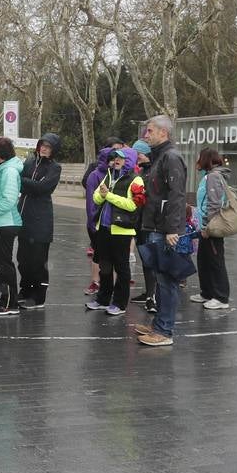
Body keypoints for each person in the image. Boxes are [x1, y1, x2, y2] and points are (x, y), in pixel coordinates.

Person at [131, 117, 188, 345]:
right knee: (161, 278)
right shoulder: (159, 157)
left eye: (150, 131)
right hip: (155, 226)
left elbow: (176, 195)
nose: (146, 135)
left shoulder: (171, 157)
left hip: (164, 229)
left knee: (167, 281)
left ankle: (164, 331)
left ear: (163, 132)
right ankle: (159, 325)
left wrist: (172, 229)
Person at [87, 148, 143, 316]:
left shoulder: (136, 180)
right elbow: (96, 198)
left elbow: (133, 205)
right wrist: (103, 195)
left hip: (122, 231)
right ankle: (103, 299)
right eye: (116, 157)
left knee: (121, 268)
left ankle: (120, 303)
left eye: (122, 158)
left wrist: (108, 195)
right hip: (104, 228)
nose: (117, 160)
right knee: (104, 265)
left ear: (130, 161)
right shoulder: (110, 175)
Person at [16, 133, 62, 310]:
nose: (44, 148)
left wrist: (23, 182)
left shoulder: (55, 168)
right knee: (23, 259)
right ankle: (25, 290)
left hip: (41, 220)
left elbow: (43, 188)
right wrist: (28, 183)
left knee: (38, 261)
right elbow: (28, 185)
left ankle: (38, 296)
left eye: (48, 146)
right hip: (24, 218)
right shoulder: (29, 162)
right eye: (42, 145)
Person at [0, 137, 24, 316]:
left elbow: (9, 199)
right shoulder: (2, 169)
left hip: (4, 223)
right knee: (0, 264)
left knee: (4, 264)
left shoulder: (9, 172)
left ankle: (10, 303)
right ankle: (5, 297)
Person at [191, 148, 231, 309]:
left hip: (212, 227)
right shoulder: (208, 176)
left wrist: (208, 225)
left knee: (215, 261)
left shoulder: (213, 177)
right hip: (205, 226)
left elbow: (214, 203)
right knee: (204, 259)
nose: (197, 161)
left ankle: (221, 297)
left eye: (200, 157)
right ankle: (207, 292)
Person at [127, 140, 158, 311]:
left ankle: (152, 295)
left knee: (150, 260)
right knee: (146, 259)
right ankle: (149, 293)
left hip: (149, 222)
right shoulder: (143, 170)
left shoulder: (152, 172)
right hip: (140, 221)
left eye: (137, 154)